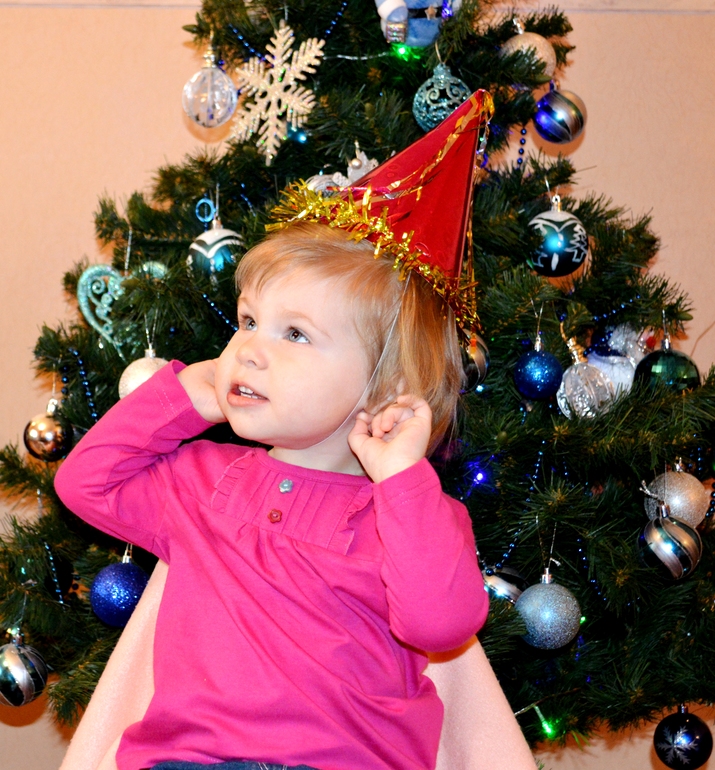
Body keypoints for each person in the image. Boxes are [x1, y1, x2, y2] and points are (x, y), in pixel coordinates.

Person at [55, 92, 536, 770]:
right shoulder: (202, 481)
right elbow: (84, 483)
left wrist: (402, 478)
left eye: (295, 334)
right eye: (249, 322)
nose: (249, 349)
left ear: (384, 385)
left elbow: (442, 623)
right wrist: (187, 396)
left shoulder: (408, 513)